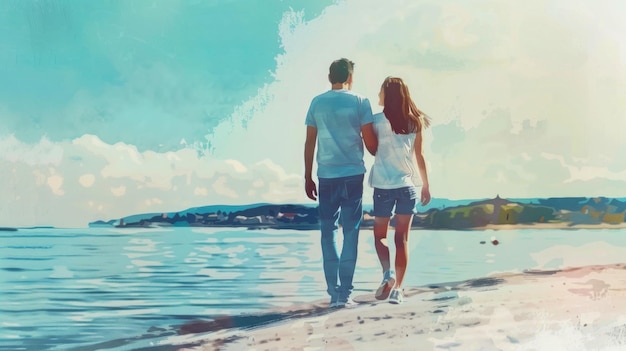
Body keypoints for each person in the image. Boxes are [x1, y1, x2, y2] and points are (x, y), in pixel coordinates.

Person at [304, 58, 377, 308]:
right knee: (351, 233)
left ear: (329, 77)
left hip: (325, 176)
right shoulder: (360, 101)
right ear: (350, 77)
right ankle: (344, 293)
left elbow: (309, 143)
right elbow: (371, 144)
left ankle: (332, 292)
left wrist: (307, 176)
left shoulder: (316, 102)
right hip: (352, 175)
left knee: (328, 233)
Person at [368, 76, 431, 304]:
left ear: (387, 94)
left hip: (383, 187)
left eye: (380, 91)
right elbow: (419, 156)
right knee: (401, 239)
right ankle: (398, 290)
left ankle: (388, 274)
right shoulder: (415, 121)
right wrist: (425, 185)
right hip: (407, 187)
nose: (378, 95)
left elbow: (371, 149)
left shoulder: (374, 121)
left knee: (380, 237)